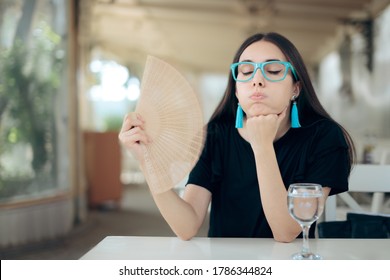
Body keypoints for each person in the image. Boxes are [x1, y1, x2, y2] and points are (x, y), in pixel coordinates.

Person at [119, 32, 355, 242]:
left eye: (273, 70)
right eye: (246, 71)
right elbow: (186, 226)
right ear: (236, 90)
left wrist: (261, 145)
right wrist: (146, 160)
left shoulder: (323, 136)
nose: (257, 80)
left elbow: (286, 232)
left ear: (296, 88)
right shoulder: (216, 135)